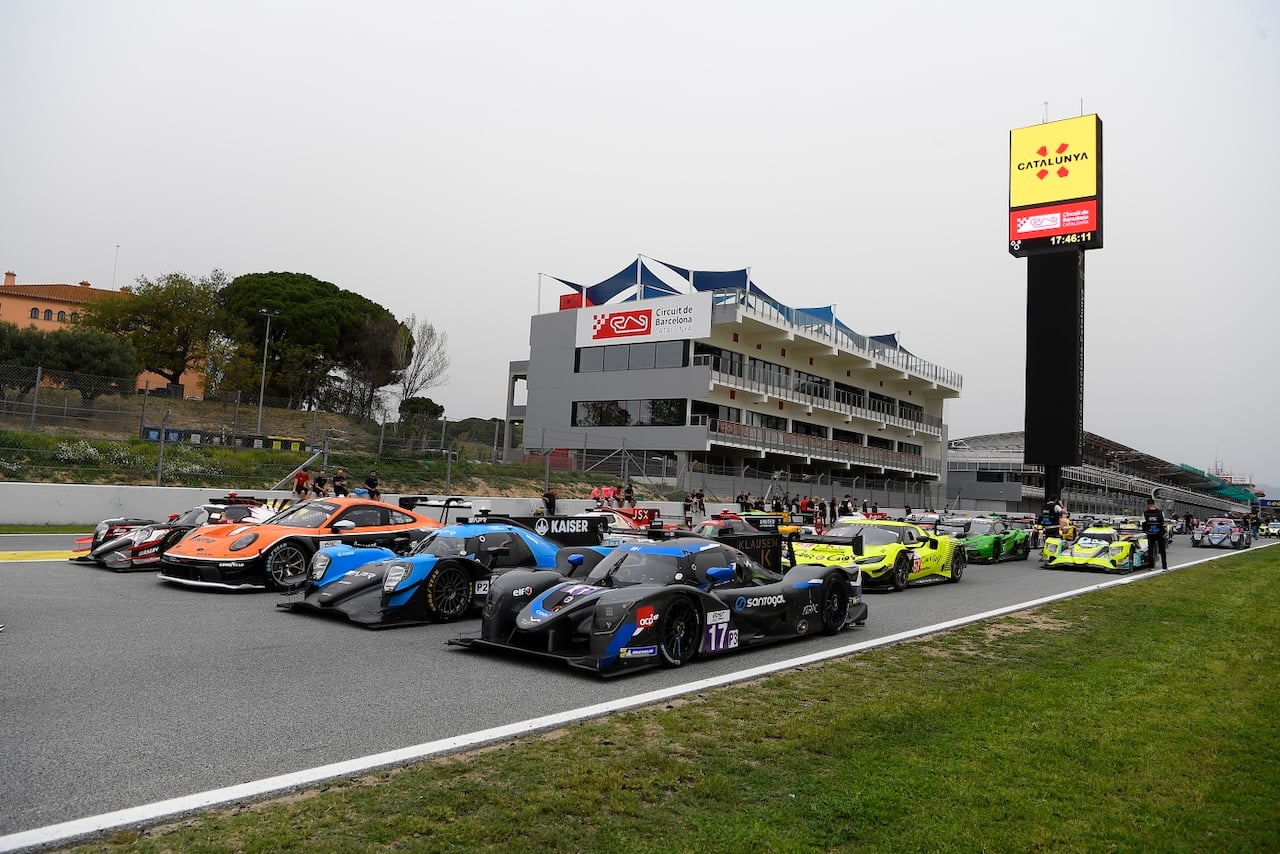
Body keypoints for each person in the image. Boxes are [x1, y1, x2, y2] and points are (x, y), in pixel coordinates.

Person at [1143, 498, 1168, 570]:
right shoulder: (1160, 512)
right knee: (1162, 550)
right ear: (1154, 504)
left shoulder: (1145, 513)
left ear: (1148, 505)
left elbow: (1144, 522)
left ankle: (1151, 566)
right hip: (1159, 533)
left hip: (1150, 532)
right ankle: (1164, 567)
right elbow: (1162, 522)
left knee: (1150, 549)